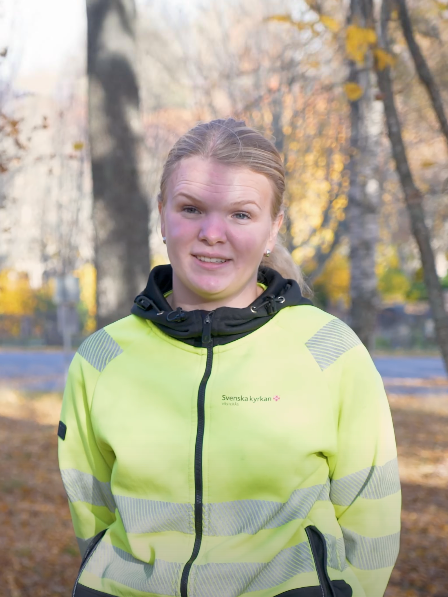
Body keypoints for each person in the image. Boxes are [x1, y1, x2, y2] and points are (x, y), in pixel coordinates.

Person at [58, 118, 401, 597]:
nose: (212, 233)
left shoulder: (329, 350)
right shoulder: (101, 358)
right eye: (192, 208)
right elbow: (92, 512)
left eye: (241, 214)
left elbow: (372, 515)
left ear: (272, 229)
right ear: (162, 214)